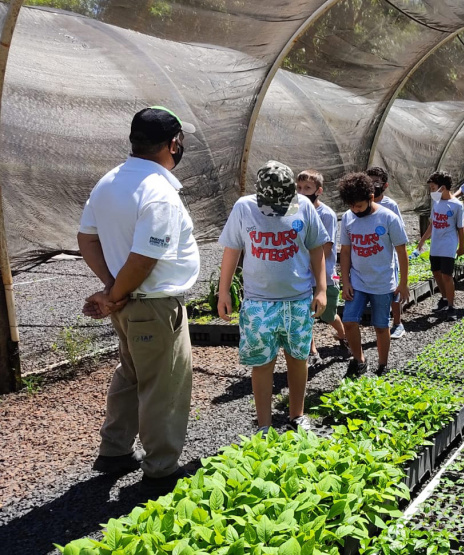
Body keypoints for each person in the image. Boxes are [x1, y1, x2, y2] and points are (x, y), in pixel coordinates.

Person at [77, 106, 200, 495]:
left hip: (129, 304)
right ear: (172, 143)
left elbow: (87, 238)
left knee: (131, 374)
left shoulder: (110, 180)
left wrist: (112, 289)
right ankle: (161, 470)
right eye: (181, 141)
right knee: (164, 385)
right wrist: (115, 293)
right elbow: (145, 259)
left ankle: (114, 450)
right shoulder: (158, 192)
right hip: (154, 305)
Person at [218, 161, 328, 435]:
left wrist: (322, 289)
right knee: (262, 363)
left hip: (298, 299)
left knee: (297, 358)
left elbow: (316, 249)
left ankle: (297, 415)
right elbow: (232, 249)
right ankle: (264, 425)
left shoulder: (303, 205)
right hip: (258, 302)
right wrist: (223, 292)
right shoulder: (244, 207)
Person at [339, 172, 409, 377]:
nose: (355, 210)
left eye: (359, 205)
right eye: (351, 205)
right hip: (358, 282)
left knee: (380, 326)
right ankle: (359, 360)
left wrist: (403, 283)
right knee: (349, 321)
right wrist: (346, 281)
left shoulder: (388, 217)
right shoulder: (348, 218)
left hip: (382, 283)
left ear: (371, 197)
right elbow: (345, 251)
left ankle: (382, 365)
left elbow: (401, 251)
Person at [296, 170, 349, 364]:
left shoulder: (326, 214)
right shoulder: (293, 209)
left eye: (307, 188)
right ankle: (312, 351)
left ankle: (344, 336)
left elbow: (326, 247)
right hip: (301, 277)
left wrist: (307, 262)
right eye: (299, 188)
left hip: (324, 276)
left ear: (319, 191)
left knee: (328, 314)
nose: (301, 192)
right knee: (305, 316)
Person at [415, 171, 464, 321]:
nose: (431, 191)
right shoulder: (436, 203)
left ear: (442, 188)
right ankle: (444, 298)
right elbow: (432, 224)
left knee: (447, 275)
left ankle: (451, 306)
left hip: (448, 245)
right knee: (436, 273)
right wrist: (422, 241)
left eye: (433, 187)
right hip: (436, 244)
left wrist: (462, 246)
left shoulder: (456, 205)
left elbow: (460, 228)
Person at [366, 167, 408, 340]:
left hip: (388, 257)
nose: (374, 186)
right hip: (370, 256)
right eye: (370, 182)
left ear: (385, 185)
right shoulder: (361, 202)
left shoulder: (390, 205)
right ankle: (381, 321)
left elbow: (399, 233)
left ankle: (398, 323)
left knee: (393, 291)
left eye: (377, 182)